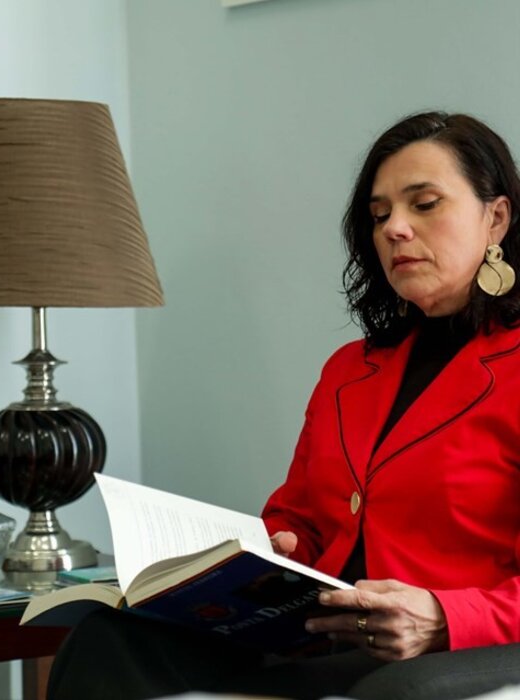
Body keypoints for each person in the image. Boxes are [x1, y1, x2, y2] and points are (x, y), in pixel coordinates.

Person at [47, 111, 520, 700]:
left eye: (424, 204)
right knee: (110, 639)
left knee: (390, 694)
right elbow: (299, 516)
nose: (395, 228)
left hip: (457, 647)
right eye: (379, 215)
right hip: (323, 630)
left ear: (496, 218)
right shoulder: (350, 369)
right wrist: (278, 548)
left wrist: (445, 617)